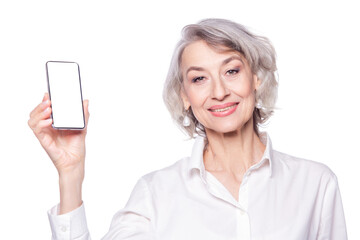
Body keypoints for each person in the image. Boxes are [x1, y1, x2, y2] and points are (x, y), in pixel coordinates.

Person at [28, 19, 347, 239]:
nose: (219, 91)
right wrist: (70, 174)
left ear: (256, 78)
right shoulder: (156, 193)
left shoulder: (316, 184)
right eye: (199, 78)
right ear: (184, 96)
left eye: (232, 70)